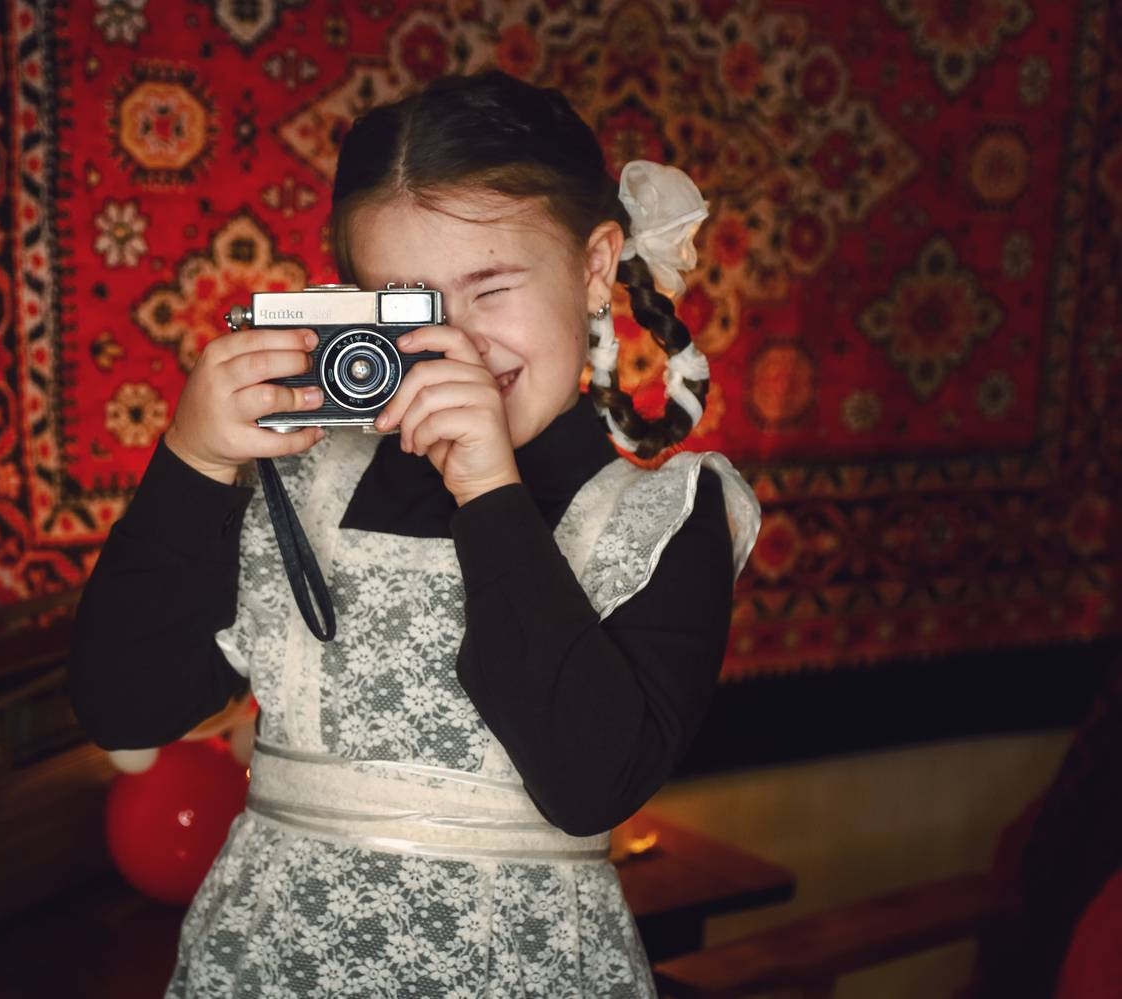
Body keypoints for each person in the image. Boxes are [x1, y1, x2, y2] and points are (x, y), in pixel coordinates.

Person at [67, 70, 762, 997]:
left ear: (595, 268)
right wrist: (191, 460)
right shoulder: (303, 476)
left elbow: (589, 784)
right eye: (408, 304)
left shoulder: (668, 519)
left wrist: (487, 489)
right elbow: (124, 708)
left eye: (491, 288)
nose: (455, 347)